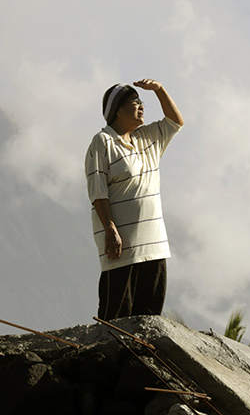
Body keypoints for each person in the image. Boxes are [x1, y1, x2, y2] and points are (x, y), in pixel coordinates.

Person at [84, 79, 184, 320]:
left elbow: (175, 122)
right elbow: (97, 191)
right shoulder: (103, 141)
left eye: (142, 102)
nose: (141, 106)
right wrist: (110, 229)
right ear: (117, 110)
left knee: (148, 314)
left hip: (154, 242)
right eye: (134, 102)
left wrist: (160, 90)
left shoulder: (148, 138)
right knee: (116, 312)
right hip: (122, 245)